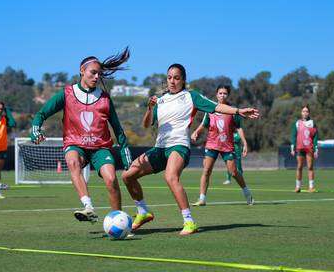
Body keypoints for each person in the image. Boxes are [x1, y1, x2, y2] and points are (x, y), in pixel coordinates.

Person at [122, 64, 259, 236]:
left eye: (177, 78)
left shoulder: (190, 96)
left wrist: (238, 111)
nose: (172, 81)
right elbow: (146, 124)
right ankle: (143, 212)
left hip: (179, 146)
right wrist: (149, 108)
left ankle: (189, 221)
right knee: (127, 176)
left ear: (183, 80)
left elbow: (216, 107)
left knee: (171, 176)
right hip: (160, 147)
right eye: (169, 77)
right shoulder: (161, 100)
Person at [30, 48, 132, 223]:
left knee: (111, 179)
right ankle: (88, 207)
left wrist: (125, 153)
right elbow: (41, 114)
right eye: (93, 73)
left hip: (100, 147)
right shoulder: (67, 93)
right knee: (72, 161)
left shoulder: (105, 99)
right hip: (75, 143)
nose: (96, 77)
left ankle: (118, 220)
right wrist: (36, 129)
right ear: (82, 70)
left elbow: (117, 127)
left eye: (99, 74)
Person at [190, 85, 254, 206]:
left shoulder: (232, 111)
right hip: (212, 144)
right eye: (220, 93)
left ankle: (247, 192)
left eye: (225, 93)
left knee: (234, 172)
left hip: (227, 146)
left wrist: (245, 143)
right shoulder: (210, 109)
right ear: (216, 94)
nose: (222, 95)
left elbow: (239, 128)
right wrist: (196, 132)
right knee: (206, 170)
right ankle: (202, 199)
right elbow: (204, 124)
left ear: (228, 95)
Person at [290, 105, 318, 193]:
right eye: (303, 111)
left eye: (306, 111)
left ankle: (311, 187)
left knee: (310, 167)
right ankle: (298, 187)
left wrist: (316, 148)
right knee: (299, 167)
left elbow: (315, 136)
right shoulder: (297, 123)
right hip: (300, 148)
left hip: (309, 148)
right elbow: (293, 136)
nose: (305, 113)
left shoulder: (312, 123)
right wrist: (292, 147)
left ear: (309, 113)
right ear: (301, 113)